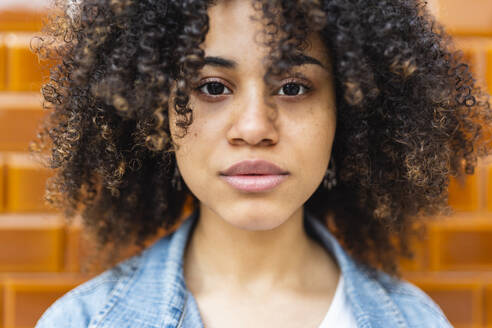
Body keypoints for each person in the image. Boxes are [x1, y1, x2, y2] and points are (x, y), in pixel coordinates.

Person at [32, 0, 491, 327]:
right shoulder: (81, 321)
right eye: (212, 87)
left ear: (347, 112)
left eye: (292, 87)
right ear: (158, 112)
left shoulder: (417, 321)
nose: (254, 128)